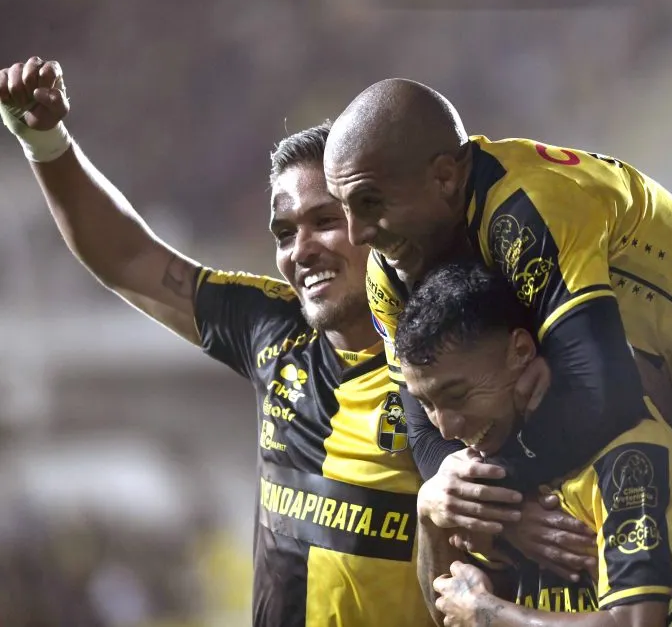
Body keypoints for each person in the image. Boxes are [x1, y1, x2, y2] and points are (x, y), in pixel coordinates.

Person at [325, 78, 672, 626]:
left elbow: (601, 394)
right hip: (621, 429)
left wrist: (504, 514)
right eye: (342, 207)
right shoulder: (393, 271)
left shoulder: (530, 206)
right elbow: (426, 434)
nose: (357, 233)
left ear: (443, 176)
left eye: (369, 202)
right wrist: (461, 503)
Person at [0, 57, 435, 627]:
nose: (300, 250)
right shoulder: (271, 326)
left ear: (375, 218)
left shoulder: (447, 354)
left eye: (323, 220)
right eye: (284, 232)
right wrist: (46, 140)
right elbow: (128, 258)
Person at [397, 261, 672, 626]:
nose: (446, 429)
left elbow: (637, 623)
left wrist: (488, 614)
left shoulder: (629, 457)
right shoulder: (491, 459)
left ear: (521, 351)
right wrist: (427, 516)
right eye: (427, 404)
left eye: (458, 395)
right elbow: (448, 611)